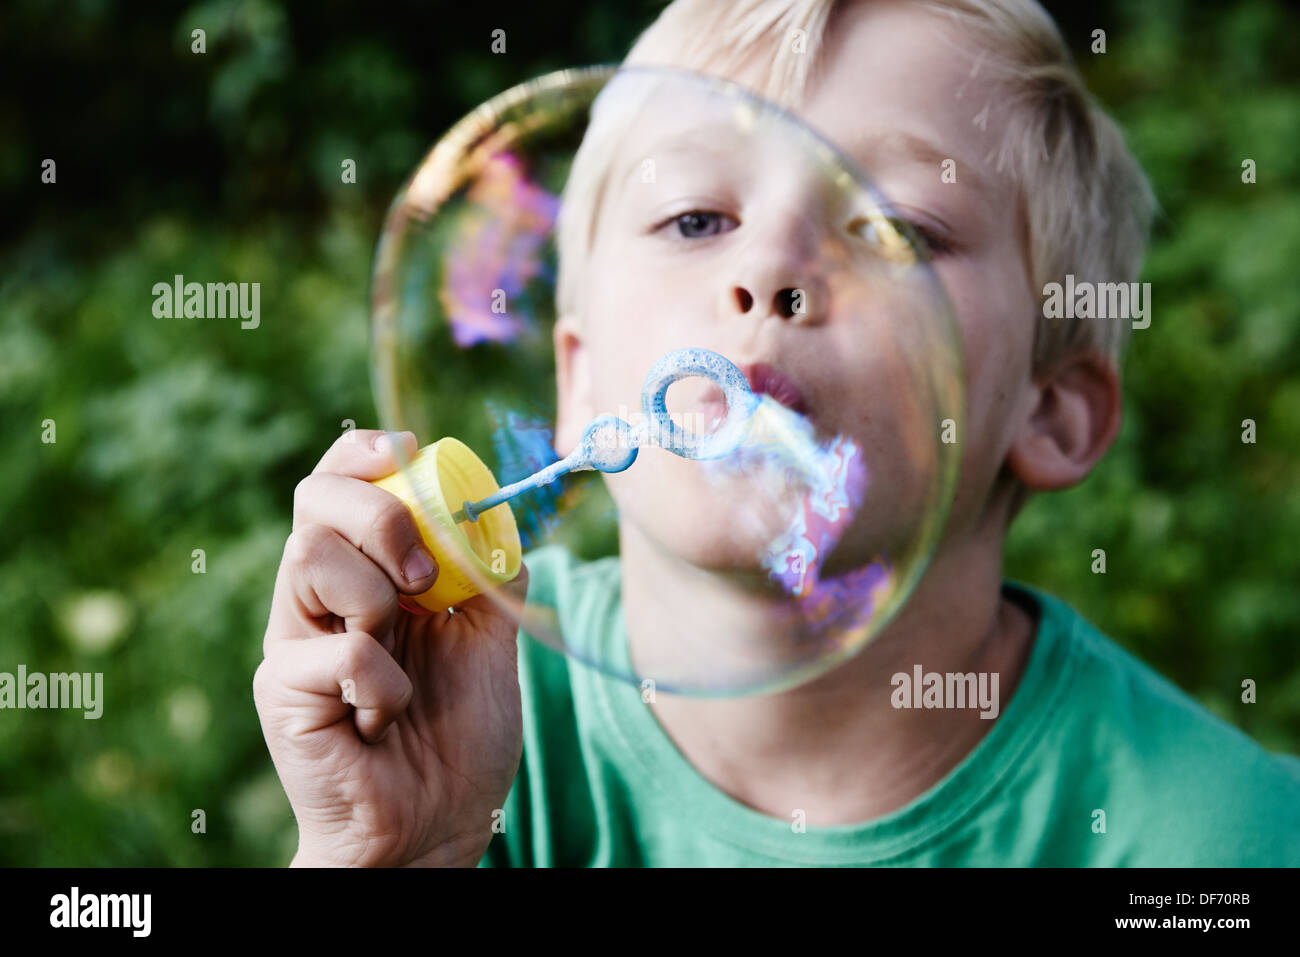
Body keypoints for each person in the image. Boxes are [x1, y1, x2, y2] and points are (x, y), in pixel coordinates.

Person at [253, 0, 1300, 866]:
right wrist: (387, 854)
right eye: (697, 220)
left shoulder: (1214, 841)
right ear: (579, 378)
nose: (766, 272)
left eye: (892, 228)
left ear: (1049, 408)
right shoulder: (457, 702)